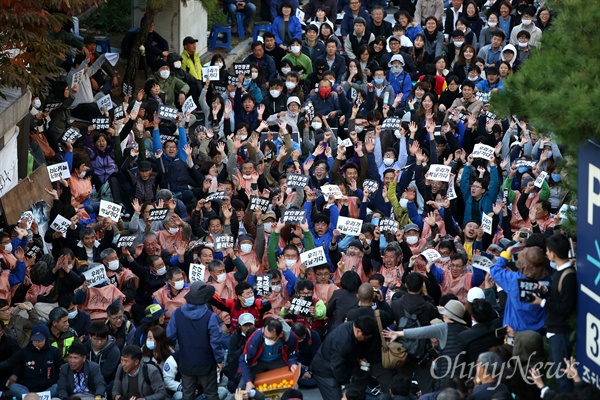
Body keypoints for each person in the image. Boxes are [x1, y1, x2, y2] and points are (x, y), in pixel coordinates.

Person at [529, 234, 577, 393]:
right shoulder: (559, 272)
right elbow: (558, 295)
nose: (547, 254)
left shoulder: (568, 276)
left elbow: (565, 307)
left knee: (563, 377)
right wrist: (545, 291)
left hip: (560, 332)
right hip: (554, 330)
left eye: (548, 251)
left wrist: (541, 302)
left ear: (553, 254)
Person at [167, 281, 224, 400]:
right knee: (211, 395)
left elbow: (170, 335)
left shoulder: (177, 314)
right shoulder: (210, 316)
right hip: (206, 364)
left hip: (186, 362)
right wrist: (219, 359)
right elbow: (216, 341)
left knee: (187, 395)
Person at [310, 315, 378, 399]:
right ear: (358, 331)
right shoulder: (343, 341)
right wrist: (346, 384)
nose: (366, 340)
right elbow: (336, 365)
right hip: (325, 371)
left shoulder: (351, 327)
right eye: (366, 337)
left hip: (335, 367)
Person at [238, 318, 299, 394]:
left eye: (271, 338)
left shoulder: (290, 337)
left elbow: (293, 352)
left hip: (278, 361)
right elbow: (244, 360)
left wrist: (292, 363)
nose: (267, 339)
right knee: (241, 388)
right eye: (265, 336)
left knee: (294, 386)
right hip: (258, 362)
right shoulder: (256, 337)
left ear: (280, 334)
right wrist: (248, 382)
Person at [7, 323, 64, 397]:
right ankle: (32, 398)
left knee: (58, 387)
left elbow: (62, 368)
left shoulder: (54, 352)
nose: (37, 342)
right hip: (29, 390)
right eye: (35, 340)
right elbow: (16, 368)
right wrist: (14, 375)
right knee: (14, 387)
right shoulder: (24, 352)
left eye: (40, 340)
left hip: (48, 389)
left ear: (46, 339)